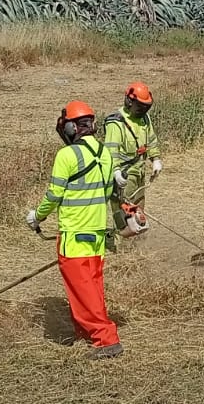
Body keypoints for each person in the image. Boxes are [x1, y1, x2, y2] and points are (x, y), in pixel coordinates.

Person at [26, 100, 123, 359]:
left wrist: (37, 216)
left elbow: (53, 195)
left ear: (70, 127)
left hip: (74, 235)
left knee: (83, 290)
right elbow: (106, 192)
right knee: (92, 288)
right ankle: (86, 334)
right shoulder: (104, 153)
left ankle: (106, 339)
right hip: (97, 233)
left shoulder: (66, 155)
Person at [103, 82, 161, 239]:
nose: (143, 110)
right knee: (124, 215)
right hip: (123, 176)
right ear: (129, 101)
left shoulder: (144, 119)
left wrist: (155, 158)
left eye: (146, 107)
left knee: (139, 210)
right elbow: (111, 150)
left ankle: (136, 242)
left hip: (139, 171)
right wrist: (115, 172)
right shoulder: (116, 123)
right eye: (140, 107)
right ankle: (120, 244)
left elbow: (151, 139)